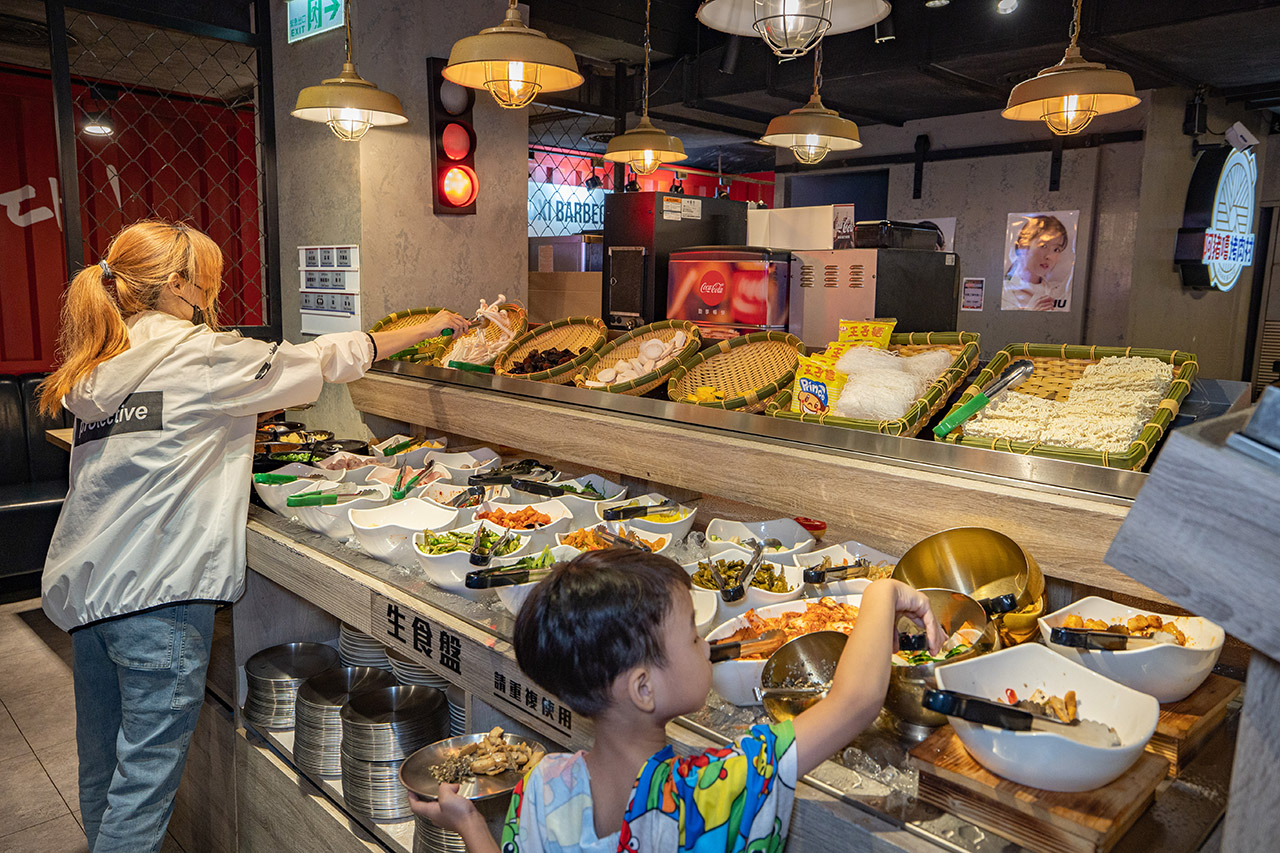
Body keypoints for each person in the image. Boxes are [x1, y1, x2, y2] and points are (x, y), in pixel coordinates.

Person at [37, 219, 468, 853]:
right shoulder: (197, 354)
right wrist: (427, 330)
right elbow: (322, 360)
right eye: (206, 279)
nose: (213, 292)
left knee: (105, 774)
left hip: (90, 597)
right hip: (158, 600)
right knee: (142, 792)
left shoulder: (102, 363)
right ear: (179, 284)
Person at [411, 549, 943, 853]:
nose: (706, 645)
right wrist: (883, 594)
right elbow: (855, 701)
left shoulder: (539, 792)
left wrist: (471, 825)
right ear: (643, 689)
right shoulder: (710, 790)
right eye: (691, 635)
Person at [1001, 215, 1071, 311]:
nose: (1049, 256)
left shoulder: (1058, 293)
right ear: (1023, 246)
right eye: (1043, 246)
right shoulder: (1002, 292)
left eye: (1056, 249)